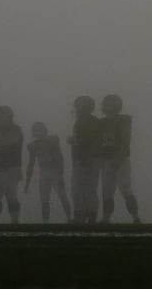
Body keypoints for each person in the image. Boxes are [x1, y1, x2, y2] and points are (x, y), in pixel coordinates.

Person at [95, 93, 140, 223]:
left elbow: (126, 141)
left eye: (109, 103)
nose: (106, 105)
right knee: (107, 191)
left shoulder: (123, 120)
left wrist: (119, 159)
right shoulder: (102, 122)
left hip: (120, 159)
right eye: (106, 103)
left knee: (125, 188)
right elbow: (99, 142)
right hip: (107, 159)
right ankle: (106, 218)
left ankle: (135, 217)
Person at [24, 121, 72, 223]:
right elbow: (31, 164)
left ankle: (69, 218)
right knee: (44, 199)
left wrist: (60, 173)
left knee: (62, 196)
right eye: (37, 130)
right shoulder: (33, 145)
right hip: (44, 172)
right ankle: (45, 221)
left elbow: (59, 158)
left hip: (54, 171)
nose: (39, 132)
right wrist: (27, 182)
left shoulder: (52, 140)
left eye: (40, 129)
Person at [68, 95, 101, 225]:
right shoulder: (81, 121)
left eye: (80, 105)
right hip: (82, 159)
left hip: (87, 159)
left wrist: (74, 141)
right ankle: (87, 216)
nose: (77, 108)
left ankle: (83, 217)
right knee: (85, 189)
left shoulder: (90, 121)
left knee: (81, 189)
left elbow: (92, 141)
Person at [0, 106, 23, 223]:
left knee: (11, 194)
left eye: (2, 115)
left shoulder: (15, 129)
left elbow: (8, 145)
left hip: (11, 167)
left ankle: (14, 220)